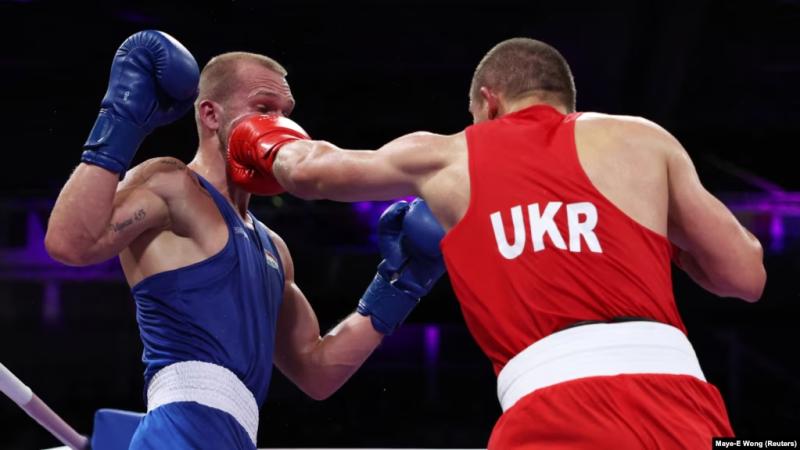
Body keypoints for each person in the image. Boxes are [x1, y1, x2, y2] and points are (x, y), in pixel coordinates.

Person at [226, 37, 767, 448]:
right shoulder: (642, 140)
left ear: (488, 103)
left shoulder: (448, 155)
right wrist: (652, 230)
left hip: (554, 411)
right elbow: (744, 277)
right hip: (684, 404)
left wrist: (258, 129)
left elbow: (310, 173)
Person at [44, 30, 445, 449]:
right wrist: (120, 118)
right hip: (178, 430)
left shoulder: (273, 248)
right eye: (263, 108)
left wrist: (397, 286)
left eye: (286, 112)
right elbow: (71, 242)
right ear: (210, 115)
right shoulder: (172, 184)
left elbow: (318, 372)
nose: (280, 124)